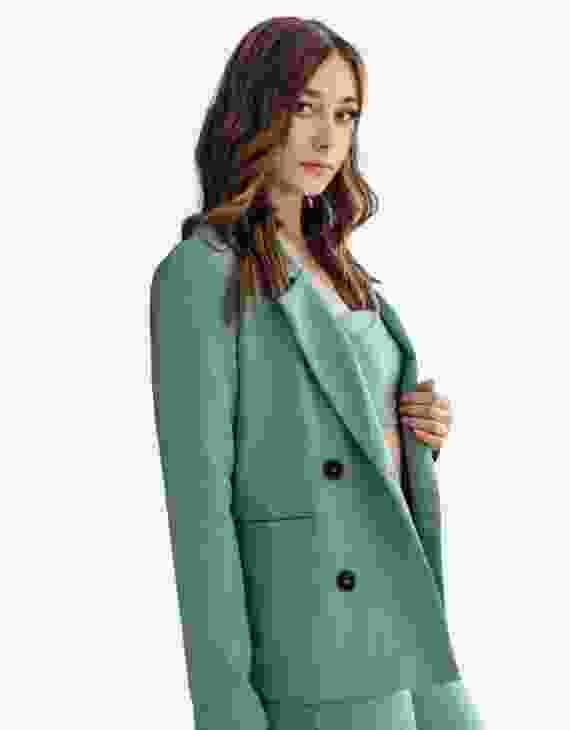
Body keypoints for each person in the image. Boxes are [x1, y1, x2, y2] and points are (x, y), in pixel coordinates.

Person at [149, 16, 484, 730]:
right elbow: (201, 518)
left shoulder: (347, 271)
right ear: (255, 110)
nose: (328, 139)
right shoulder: (200, 275)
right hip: (312, 662)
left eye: (345, 114)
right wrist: (227, 708)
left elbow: (350, 439)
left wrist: (416, 434)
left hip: (408, 630)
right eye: (305, 108)